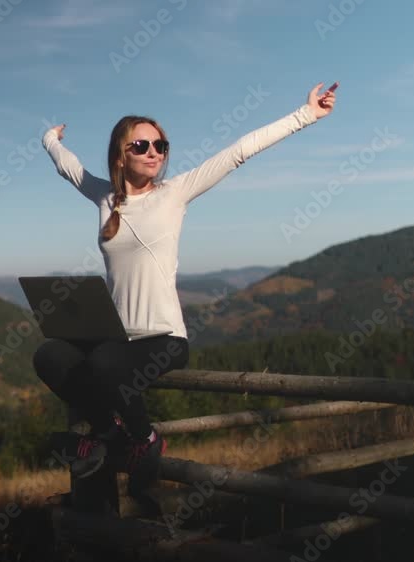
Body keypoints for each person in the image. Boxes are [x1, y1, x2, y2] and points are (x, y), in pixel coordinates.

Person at [34, 82, 337, 496]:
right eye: (142, 145)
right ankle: (109, 433)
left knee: (104, 363)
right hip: (116, 339)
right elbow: (66, 165)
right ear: (120, 154)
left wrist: (306, 115)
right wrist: (49, 138)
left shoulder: (175, 193)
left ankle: (145, 439)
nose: (154, 152)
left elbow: (239, 151)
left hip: (163, 337)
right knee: (49, 355)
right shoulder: (105, 197)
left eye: (161, 145)